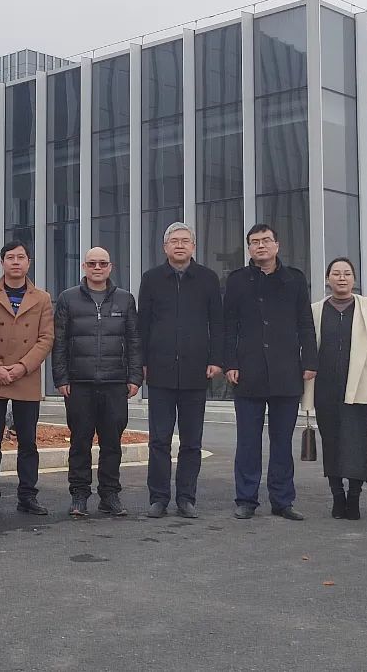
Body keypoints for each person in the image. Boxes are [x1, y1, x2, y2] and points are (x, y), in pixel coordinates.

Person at [223, 224, 317, 521]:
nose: (260, 246)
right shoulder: (237, 281)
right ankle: (246, 499)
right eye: (254, 242)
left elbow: (305, 323)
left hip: (286, 371)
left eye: (266, 241)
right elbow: (228, 326)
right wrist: (230, 363)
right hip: (248, 371)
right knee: (248, 441)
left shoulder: (294, 280)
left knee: (281, 441)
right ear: (249, 248)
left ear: (277, 245)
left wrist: (310, 361)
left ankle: (282, 500)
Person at [138, 222, 223, 519]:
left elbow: (217, 323)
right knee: (159, 440)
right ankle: (158, 498)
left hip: (195, 371)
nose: (179, 245)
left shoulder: (208, 279)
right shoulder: (151, 279)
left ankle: (186, 498)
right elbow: (143, 324)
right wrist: (141, 362)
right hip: (160, 371)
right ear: (165, 247)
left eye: (185, 241)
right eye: (174, 241)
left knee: (191, 441)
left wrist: (216, 359)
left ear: (193, 247)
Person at [52, 247, 142, 518]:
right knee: (80, 442)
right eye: (92, 264)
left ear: (110, 267)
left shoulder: (125, 300)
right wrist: (61, 378)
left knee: (112, 443)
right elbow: (59, 342)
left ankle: (109, 495)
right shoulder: (68, 298)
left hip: (115, 383)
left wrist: (134, 377)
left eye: (103, 263)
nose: (97, 268)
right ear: (84, 267)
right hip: (79, 383)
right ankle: (79, 495)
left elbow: (134, 341)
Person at [301, 257, 367, 521]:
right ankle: (337, 495)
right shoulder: (315, 310)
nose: (342, 278)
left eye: (347, 273)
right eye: (336, 273)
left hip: (360, 389)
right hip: (325, 389)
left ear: (354, 279)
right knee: (331, 444)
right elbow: (306, 348)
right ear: (327, 279)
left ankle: (354, 497)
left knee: (356, 445)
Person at [0, 240, 54, 516]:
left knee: (28, 442)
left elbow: (46, 338)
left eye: (21, 257)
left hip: (27, 377)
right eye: (10, 257)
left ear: (29, 262)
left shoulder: (42, 298)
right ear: (2, 263)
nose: (16, 262)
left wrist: (22, 367)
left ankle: (28, 496)